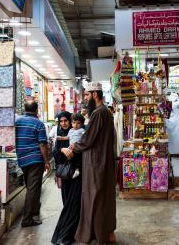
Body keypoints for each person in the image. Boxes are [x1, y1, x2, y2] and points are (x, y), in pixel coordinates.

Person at [61, 81, 117, 244]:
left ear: (94, 95)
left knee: (94, 198)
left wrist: (74, 146)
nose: (85, 98)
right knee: (103, 198)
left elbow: (88, 139)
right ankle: (106, 232)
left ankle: (95, 234)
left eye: (86, 95)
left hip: (96, 163)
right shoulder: (106, 112)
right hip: (103, 161)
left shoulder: (98, 113)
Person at [15, 101, 50, 227]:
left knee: (31, 188)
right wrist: (46, 161)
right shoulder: (38, 123)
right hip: (35, 159)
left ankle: (34, 212)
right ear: (36, 109)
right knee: (33, 189)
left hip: (22, 159)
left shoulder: (17, 122)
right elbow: (42, 144)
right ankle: (27, 219)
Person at [51, 111, 84, 245]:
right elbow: (55, 154)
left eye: (66, 121)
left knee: (74, 204)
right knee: (67, 204)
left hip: (76, 175)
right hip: (65, 176)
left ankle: (68, 236)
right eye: (61, 121)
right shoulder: (60, 137)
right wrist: (61, 150)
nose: (64, 123)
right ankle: (66, 234)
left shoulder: (79, 133)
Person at [64, 113, 85, 179]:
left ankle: (77, 170)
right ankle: (72, 170)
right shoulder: (71, 130)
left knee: (78, 158)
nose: (75, 125)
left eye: (78, 123)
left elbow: (86, 138)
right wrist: (60, 137)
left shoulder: (82, 130)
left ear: (82, 124)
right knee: (71, 158)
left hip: (78, 148)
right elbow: (67, 137)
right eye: (74, 122)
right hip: (70, 148)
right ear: (71, 123)